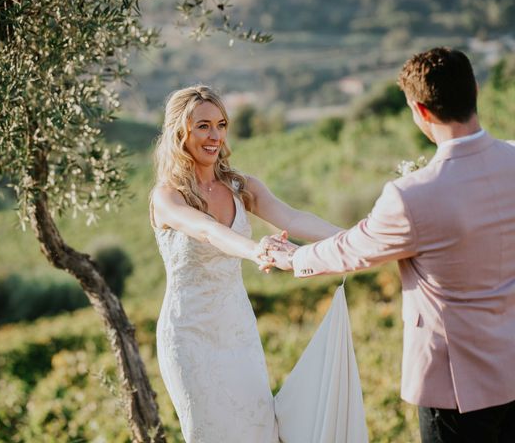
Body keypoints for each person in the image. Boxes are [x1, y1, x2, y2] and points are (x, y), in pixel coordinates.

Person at [265, 47, 515, 442]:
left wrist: (292, 258)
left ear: (421, 111)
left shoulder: (412, 195)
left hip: (457, 388)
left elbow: (352, 248)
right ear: (476, 92)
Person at [149, 85, 345, 442]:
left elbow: (294, 218)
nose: (215, 136)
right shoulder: (167, 196)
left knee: (258, 429)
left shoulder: (242, 186)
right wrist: (257, 250)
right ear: (181, 131)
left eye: (221, 125)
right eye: (203, 126)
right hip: (189, 337)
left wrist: (356, 238)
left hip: (238, 332)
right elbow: (207, 231)